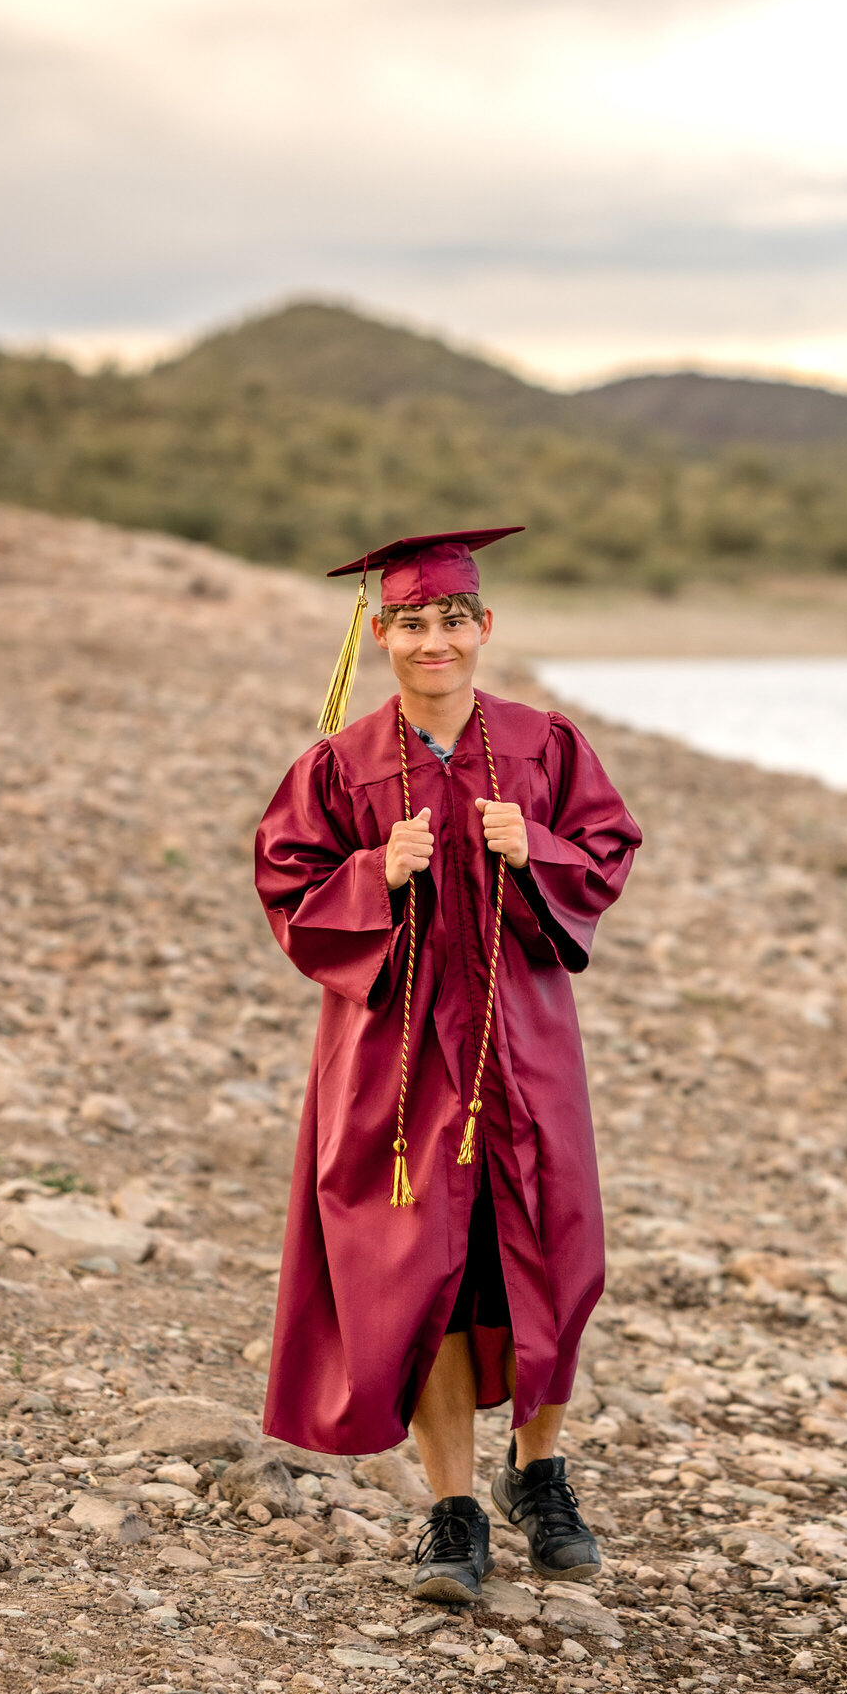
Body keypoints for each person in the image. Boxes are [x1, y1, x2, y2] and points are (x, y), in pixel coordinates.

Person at [254, 526, 641, 1604]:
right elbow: (288, 889)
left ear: (484, 627)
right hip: (393, 1058)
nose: (435, 639)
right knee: (412, 1263)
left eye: (453, 619)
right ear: (378, 632)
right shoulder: (336, 766)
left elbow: (605, 849)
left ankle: (543, 1468)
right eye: (413, 622)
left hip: (524, 1048)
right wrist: (374, 873)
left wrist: (542, 851)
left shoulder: (545, 745)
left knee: (555, 1253)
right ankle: (453, 1511)